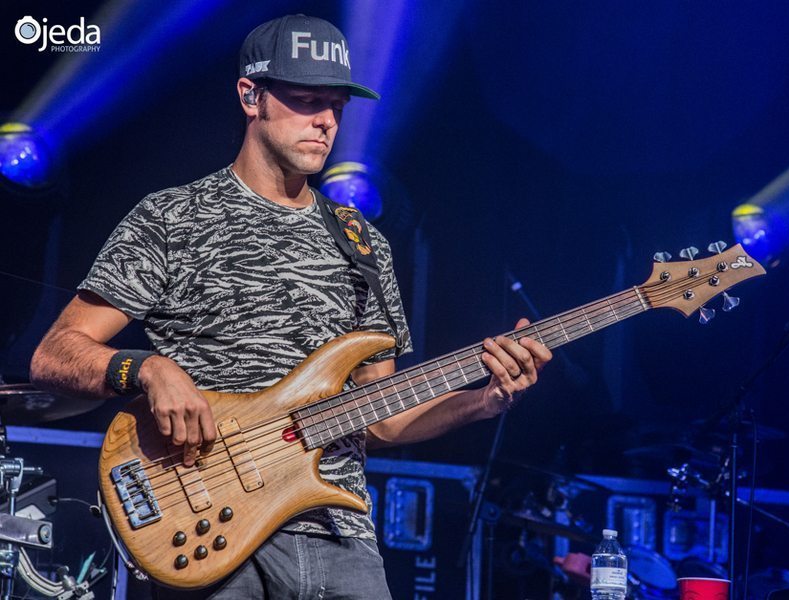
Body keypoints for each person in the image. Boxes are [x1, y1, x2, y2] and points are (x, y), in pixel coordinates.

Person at [30, 14, 552, 600]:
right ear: (250, 96)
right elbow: (54, 354)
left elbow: (380, 419)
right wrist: (149, 369)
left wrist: (483, 401)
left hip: (340, 541)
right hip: (211, 530)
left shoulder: (362, 243)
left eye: (337, 106)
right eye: (307, 101)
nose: (326, 121)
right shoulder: (172, 218)